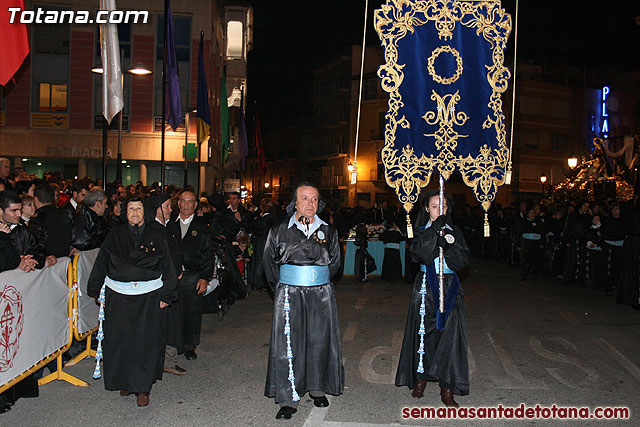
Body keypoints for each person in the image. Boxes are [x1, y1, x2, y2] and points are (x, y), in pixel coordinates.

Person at [87, 196, 178, 407]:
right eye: (130, 209)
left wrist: (168, 295)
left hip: (149, 298)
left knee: (145, 343)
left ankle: (142, 388)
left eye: (138, 209)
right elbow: (102, 262)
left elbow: (168, 266)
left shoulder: (157, 235)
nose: (134, 212)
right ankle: (125, 381)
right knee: (120, 341)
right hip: (118, 296)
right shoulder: (114, 235)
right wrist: (95, 290)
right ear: (124, 212)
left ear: (144, 212)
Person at [263, 182, 343, 420]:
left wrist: (318, 282)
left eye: (315, 199)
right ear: (295, 203)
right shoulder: (279, 231)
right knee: (290, 343)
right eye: (305, 199)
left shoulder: (329, 231)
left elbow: (335, 264)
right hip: (289, 294)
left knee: (319, 341)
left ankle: (317, 388)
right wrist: (285, 287)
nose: (311, 204)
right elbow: (269, 266)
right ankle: (289, 397)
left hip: (321, 294)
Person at [395, 189, 470, 408]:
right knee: (423, 334)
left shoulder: (455, 231)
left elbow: (463, 260)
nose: (439, 210)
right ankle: (421, 378)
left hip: (450, 286)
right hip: (426, 286)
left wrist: (449, 242)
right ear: (427, 208)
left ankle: (447, 387)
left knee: (450, 336)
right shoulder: (421, 231)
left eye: (443, 206)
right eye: (435, 206)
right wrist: (434, 233)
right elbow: (418, 254)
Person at [167, 190, 214, 361]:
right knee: (173, 311)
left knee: (191, 311)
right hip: (172, 276)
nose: (186, 205)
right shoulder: (169, 223)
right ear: (178, 203)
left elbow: (208, 254)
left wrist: (205, 277)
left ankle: (189, 345)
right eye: (183, 201)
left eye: (190, 202)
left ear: (195, 205)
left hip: (193, 275)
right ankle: (174, 343)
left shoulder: (202, 226)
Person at [144, 193, 187, 377]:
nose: (170, 210)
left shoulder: (168, 227)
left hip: (172, 282)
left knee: (171, 323)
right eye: (167, 206)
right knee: (161, 324)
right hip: (160, 284)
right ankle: (162, 361)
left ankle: (169, 360)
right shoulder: (152, 229)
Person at [29, 183, 72, 267]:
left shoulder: (38, 219)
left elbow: (36, 245)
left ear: (36, 199)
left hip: (47, 266)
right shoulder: (63, 215)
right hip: (64, 264)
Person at [247, 197, 276, 291]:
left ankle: (260, 282)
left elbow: (259, 227)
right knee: (259, 260)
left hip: (263, 240)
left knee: (260, 261)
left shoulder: (268, 217)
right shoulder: (268, 216)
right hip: (261, 240)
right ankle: (259, 282)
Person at [518, 207, 545, 280]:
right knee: (525, 258)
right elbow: (519, 233)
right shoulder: (523, 222)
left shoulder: (539, 222)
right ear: (527, 214)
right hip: (527, 242)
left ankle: (534, 273)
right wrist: (519, 245)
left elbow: (542, 233)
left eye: (533, 213)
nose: (532, 214)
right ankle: (524, 274)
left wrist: (542, 243)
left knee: (536, 259)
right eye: (530, 213)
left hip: (536, 243)